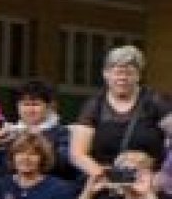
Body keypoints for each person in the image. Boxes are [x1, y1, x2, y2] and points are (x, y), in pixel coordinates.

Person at [69, 45, 167, 182]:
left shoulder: (156, 102)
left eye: (129, 73)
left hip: (148, 182)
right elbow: (77, 154)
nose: (122, 78)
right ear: (106, 74)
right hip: (102, 181)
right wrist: (106, 178)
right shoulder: (94, 106)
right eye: (117, 72)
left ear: (138, 75)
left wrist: (153, 163)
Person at [6, 78, 76, 183]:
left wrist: (40, 140)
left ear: (49, 106)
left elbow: (65, 165)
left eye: (35, 104)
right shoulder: (9, 133)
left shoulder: (63, 134)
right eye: (25, 104)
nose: (30, 110)